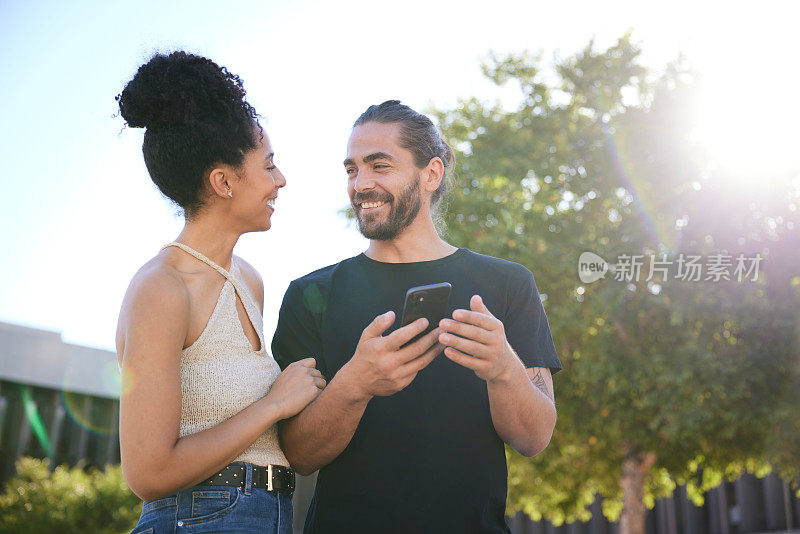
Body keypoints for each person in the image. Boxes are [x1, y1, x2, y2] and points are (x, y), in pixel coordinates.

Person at [272, 100, 562, 533]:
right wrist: (355, 384)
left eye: (379, 166)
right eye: (352, 170)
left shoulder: (508, 284)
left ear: (431, 174)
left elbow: (534, 438)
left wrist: (504, 369)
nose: (361, 184)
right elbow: (298, 455)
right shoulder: (311, 294)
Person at [115, 51, 325, 534]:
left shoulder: (249, 279)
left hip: (270, 516)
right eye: (269, 166)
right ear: (224, 181)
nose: (281, 180)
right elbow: (147, 473)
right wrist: (273, 405)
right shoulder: (161, 289)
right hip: (196, 520)